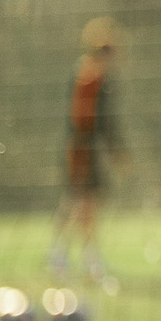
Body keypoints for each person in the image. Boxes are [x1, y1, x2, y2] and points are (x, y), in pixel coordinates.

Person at [49, 18, 121, 279]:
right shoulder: (90, 77)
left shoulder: (90, 75)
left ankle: (67, 255)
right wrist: (114, 149)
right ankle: (79, 257)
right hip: (81, 149)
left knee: (78, 202)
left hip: (83, 148)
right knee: (81, 203)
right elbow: (91, 119)